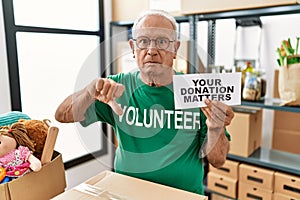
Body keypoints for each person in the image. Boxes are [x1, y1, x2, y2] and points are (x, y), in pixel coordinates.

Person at [55, 9, 234, 195]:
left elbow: (218, 160)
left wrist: (215, 127)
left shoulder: (196, 91)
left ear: (175, 49)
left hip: (183, 194)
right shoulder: (116, 87)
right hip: (127, 193)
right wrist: (90, 91)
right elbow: (62, 115)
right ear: (133, 48)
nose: (152, 51)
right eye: (143, 42)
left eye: (162, 41)